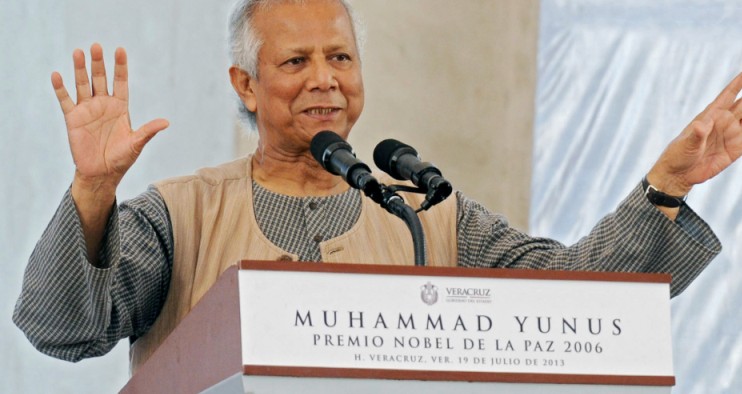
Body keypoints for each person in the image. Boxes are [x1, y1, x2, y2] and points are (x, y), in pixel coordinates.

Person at [13, 0, 741, 374]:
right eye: (296, 61)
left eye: (341, 56)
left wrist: (667, 184)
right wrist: (93, 191)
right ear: (245, 83)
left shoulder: (427, 213)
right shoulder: (180, 213)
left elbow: (580, 291)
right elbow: (64, 328)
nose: (326, 78)